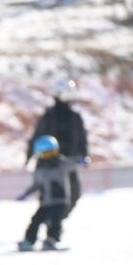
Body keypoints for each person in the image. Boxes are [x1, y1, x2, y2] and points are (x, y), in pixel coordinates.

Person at [25, 79, 89, 212]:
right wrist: (29, 157)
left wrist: (84, 155)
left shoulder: (75, 117)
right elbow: (37, 136)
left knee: (73, 194)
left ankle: (57, 219)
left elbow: (82, 138)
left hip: (69, 163)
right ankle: (50, 222)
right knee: (48, 197)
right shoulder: (48, 116)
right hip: (49, 164)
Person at [17, 135, 79, 251]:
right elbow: (36, 185)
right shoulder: (40, 168)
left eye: (49, 153)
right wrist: (25, 194)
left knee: (54, 221)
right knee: (35, 220)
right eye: (44, 154)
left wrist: (79, 160)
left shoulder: (60, 163)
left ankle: (51, 240)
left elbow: (71, 163)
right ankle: (29, 241)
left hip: (60, 200)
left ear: (55, 151)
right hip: (45, 201)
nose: (47, 157)